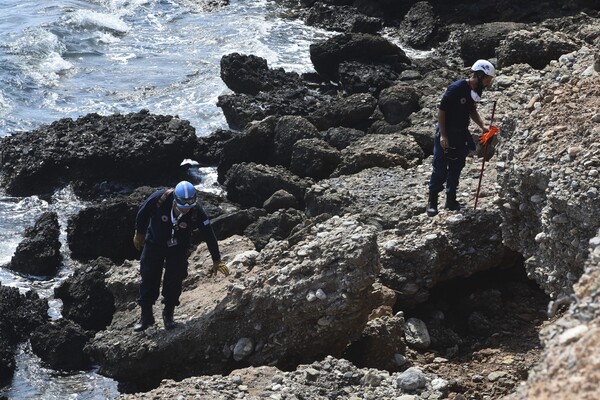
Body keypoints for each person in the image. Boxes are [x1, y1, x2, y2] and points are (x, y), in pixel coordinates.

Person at [132, 180, 230, 331]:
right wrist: (139, 232)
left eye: (188, 207)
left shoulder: (196, 211)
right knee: (149, 276)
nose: (185, 211)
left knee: (174, 279)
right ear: (175, 200)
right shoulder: (160, 198)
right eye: (182, 207)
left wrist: (216, 259)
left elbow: (209, 234)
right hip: (154, 243)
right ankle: (146, 316)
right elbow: (142, 212)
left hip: (178, 247)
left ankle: (168, 315)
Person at [426, 59, 495, 216]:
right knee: (440, 168)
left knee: (456, 167)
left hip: (461, 132)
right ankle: (432, 201)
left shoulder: (477, 90)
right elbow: (442, 111)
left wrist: (483, 126)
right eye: (487, 79)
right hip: (446, 131)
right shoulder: (456, 88)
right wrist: (443, 135)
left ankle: (451, 200)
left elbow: (471, 110)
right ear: (479, 75)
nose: (488, 83)